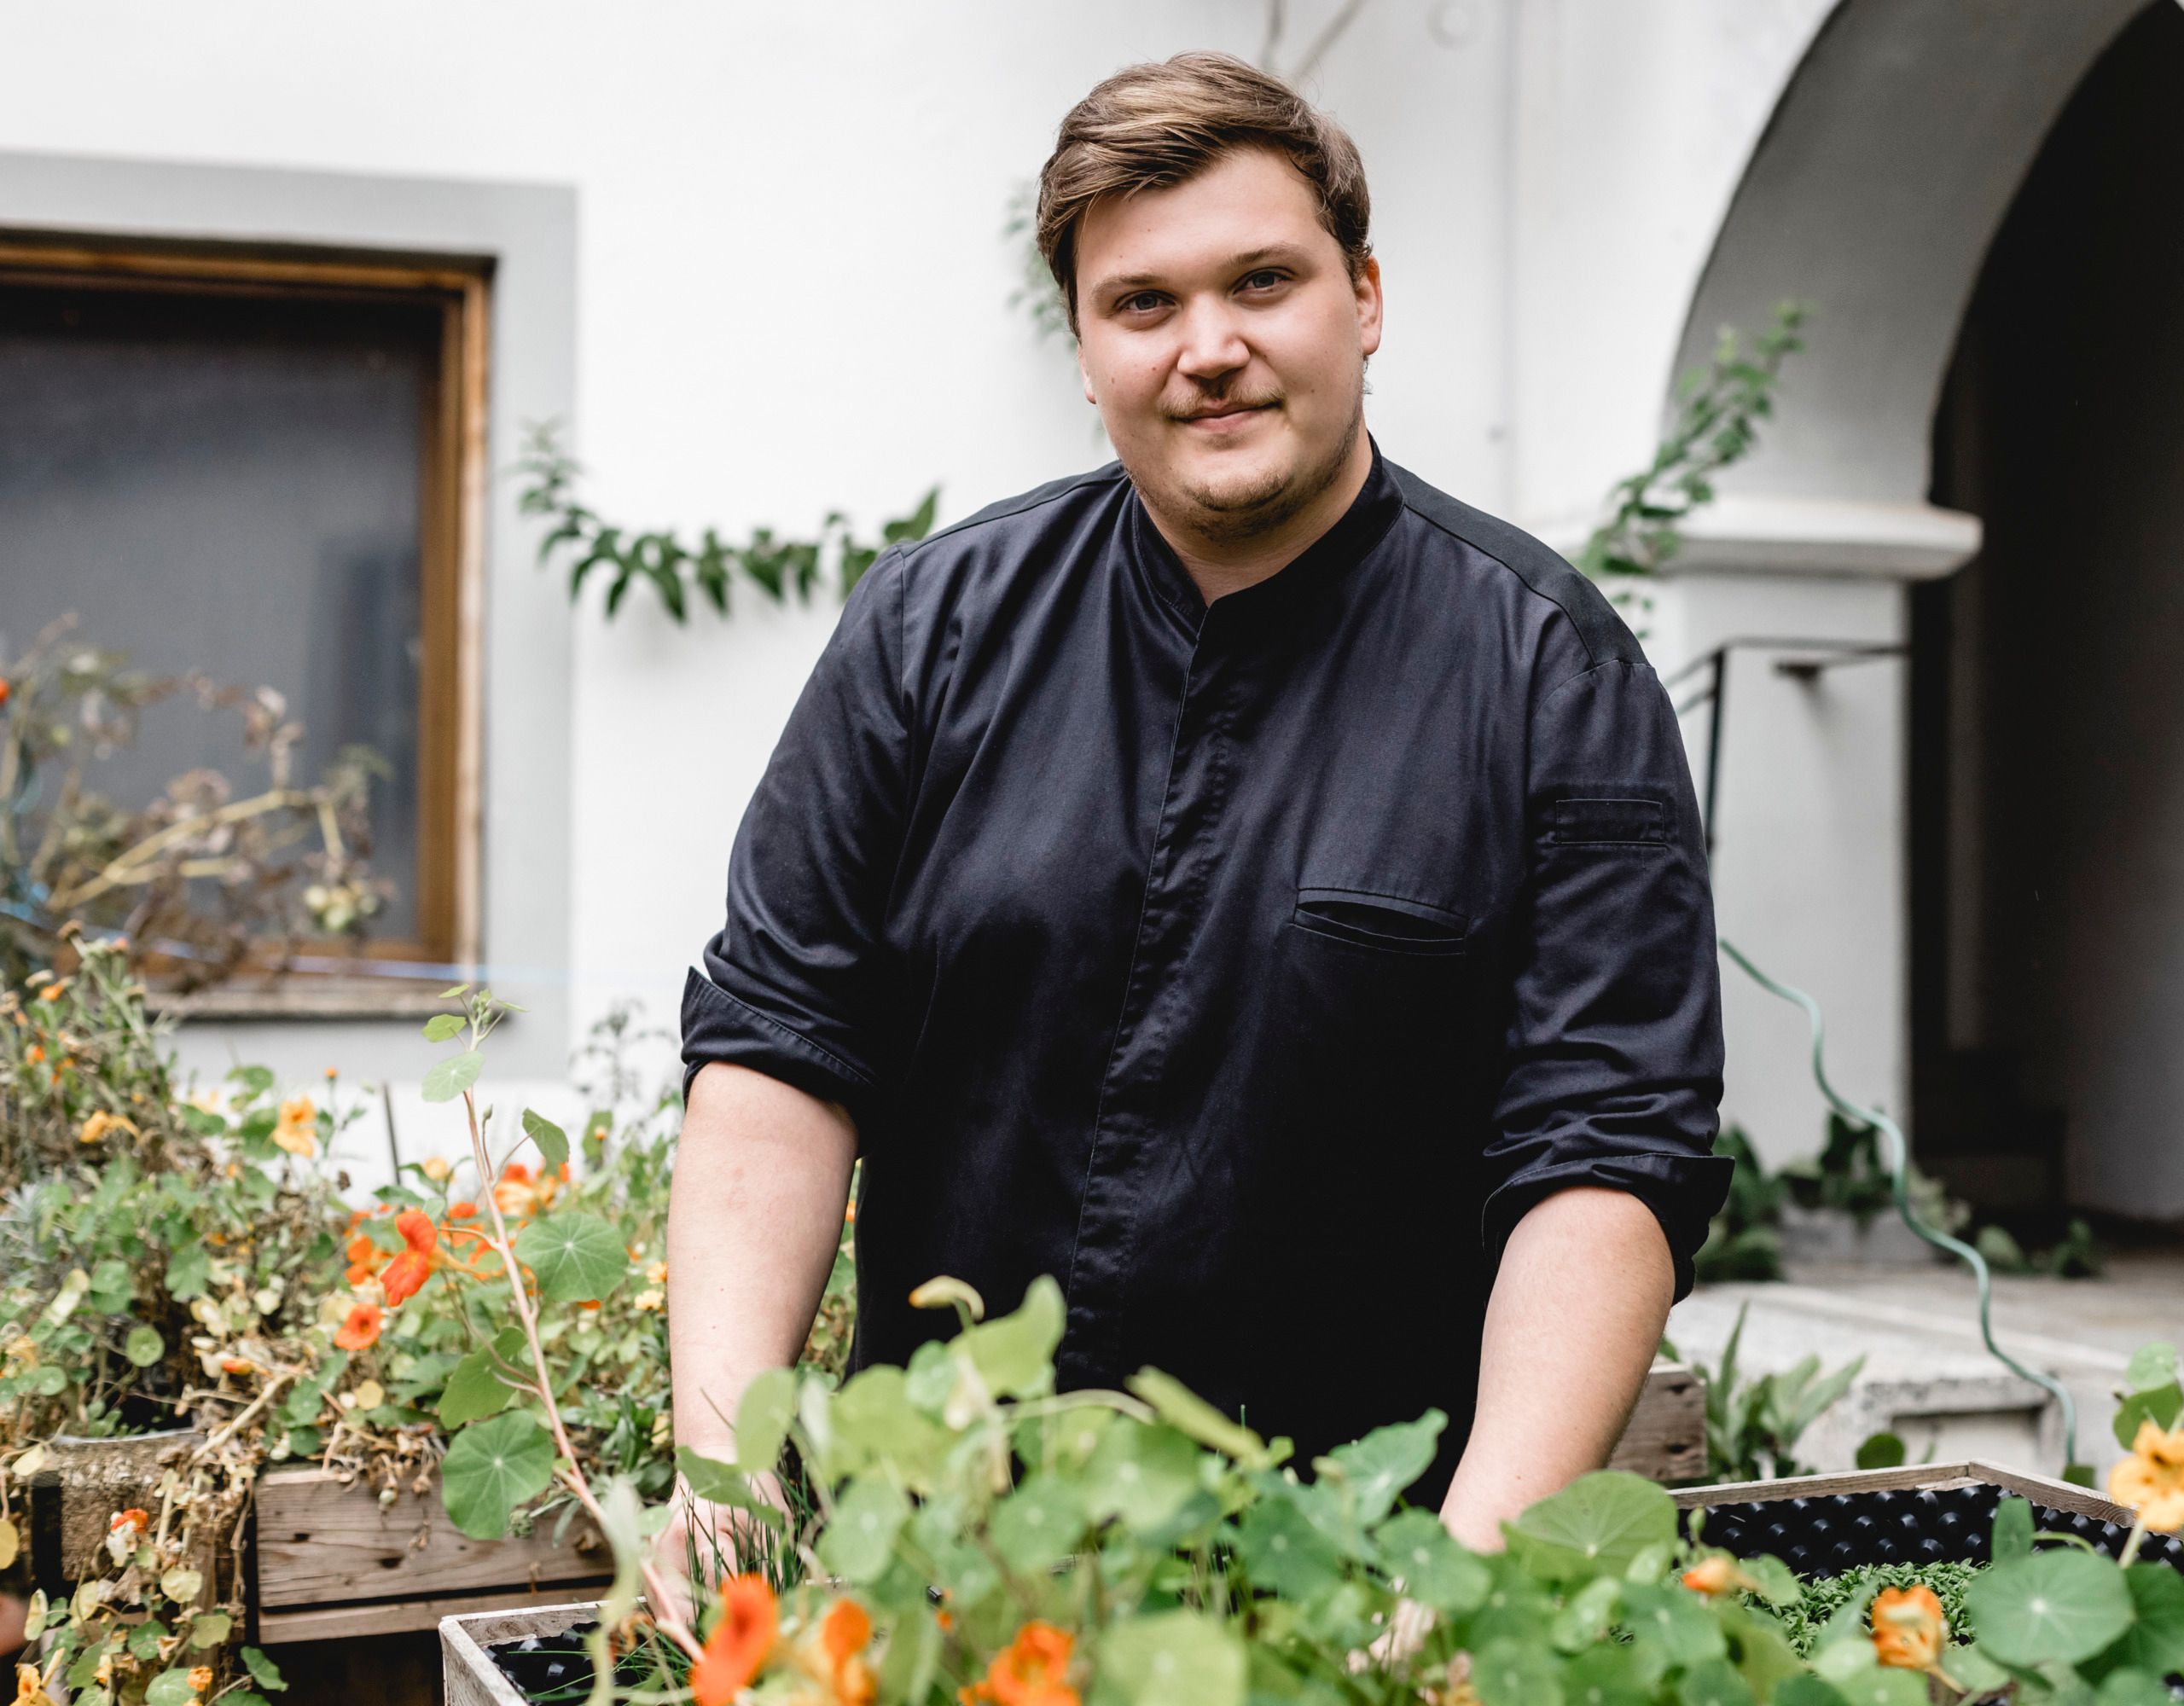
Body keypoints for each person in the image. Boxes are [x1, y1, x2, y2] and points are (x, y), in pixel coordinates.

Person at [663, 49, 1728, 1606]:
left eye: (1263, 281)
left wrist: (1464, 1586)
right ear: (1086, 348)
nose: (1207, 348)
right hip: (942, 1573)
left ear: (1364, 296)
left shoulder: (1549, 675)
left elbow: (1607, 1155)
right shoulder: (927, 632)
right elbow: (779, 1054)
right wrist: (729, 1474)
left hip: (1356, 1584)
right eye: (1143, 303)